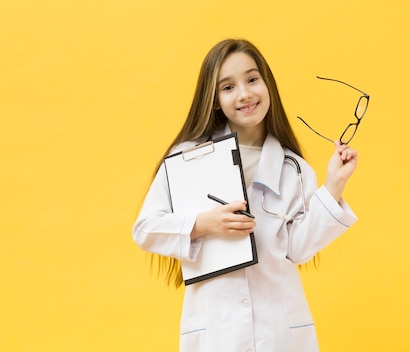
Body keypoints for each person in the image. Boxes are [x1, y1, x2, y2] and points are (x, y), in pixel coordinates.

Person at [132, 39, 358, 352]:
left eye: (252, 79)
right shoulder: (189, 158)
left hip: (280, 332)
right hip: (216, 332)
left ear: (268, 85)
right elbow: (145, 229)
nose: (245, 94)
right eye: (228, 87)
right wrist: (204, 224)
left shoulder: (294, 167)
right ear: (214, 100)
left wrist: (334, 183)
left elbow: (299, 249)